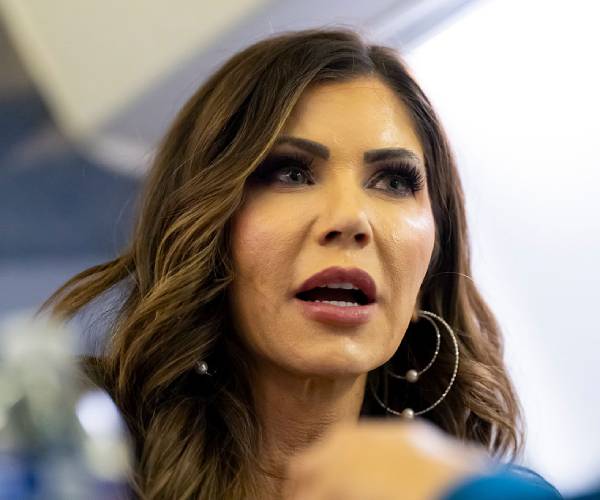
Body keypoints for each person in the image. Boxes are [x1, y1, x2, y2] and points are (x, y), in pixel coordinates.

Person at [40, 27, 560, 499]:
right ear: (202, 228)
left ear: (433, 256)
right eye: (291, 173)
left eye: (393, 181)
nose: (350, 218)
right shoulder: (69, 470)